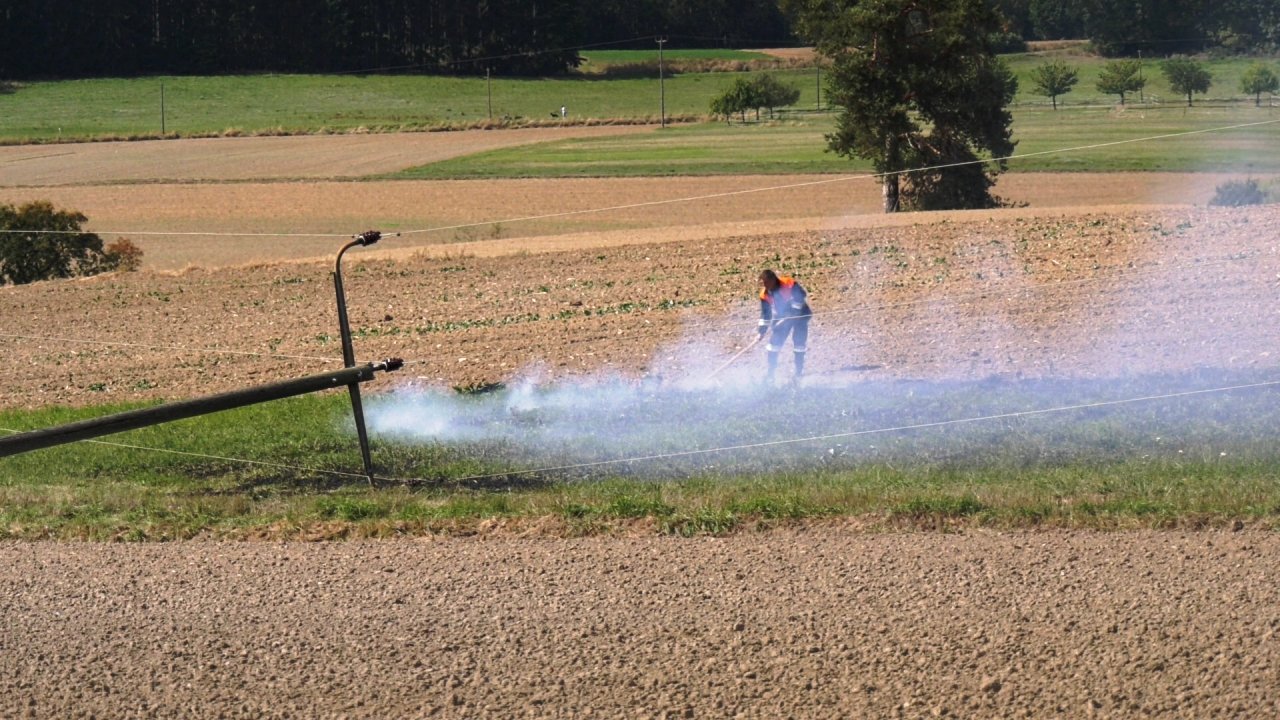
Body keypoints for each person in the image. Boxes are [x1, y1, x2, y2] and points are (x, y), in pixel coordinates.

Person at [757, 269, 812, 383]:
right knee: (773, 345)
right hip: (782, 318)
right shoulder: (764, 294)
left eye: (766, 283)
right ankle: (771, 373)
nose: (764, 286)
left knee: (799, 343)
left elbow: (801, 295)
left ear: (772, 280)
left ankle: (798, 372)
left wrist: (793, 312)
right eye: (763, 284)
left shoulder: (788, 283)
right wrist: (761, 331)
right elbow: (766, 314)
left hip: (801, 315)